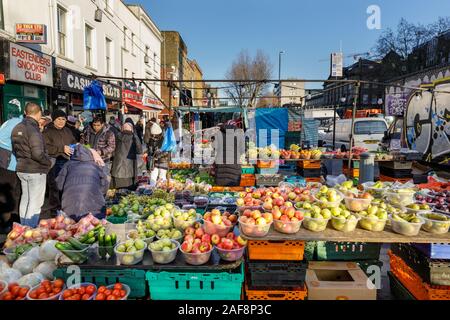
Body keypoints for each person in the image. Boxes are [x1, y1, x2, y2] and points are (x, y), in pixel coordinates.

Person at [11, 103, 52, 227]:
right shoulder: (33, 129)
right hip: (35, 170)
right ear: (39, 113)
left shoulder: (17, 127)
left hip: (22, 168)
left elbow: (16, 149)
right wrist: (48, 162)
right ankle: (29, 231)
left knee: (26, 199)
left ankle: (23, 228)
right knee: (35, 203)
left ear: (25, 112)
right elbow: (37, 154)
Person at [56, 144, 108, 221]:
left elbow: (59, 185)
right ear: (89, 154)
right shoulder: (96, 166)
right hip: (94, 208)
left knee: (73, 229)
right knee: (94, 229)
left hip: (70, 208)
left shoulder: (67, 165)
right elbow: (104, 186)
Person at [43, 110, 77, 215]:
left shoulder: (67, 131)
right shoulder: (47, 131)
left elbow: (73, 143)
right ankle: (55, 210)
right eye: (58, 119)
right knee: (55, 187)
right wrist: (62, 148)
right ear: (53, 120)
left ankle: (66, 208)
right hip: (54, 161)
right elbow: (45, 148)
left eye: (63, 119)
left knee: (66, 186)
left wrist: (75, 147)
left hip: (68, 161)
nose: (61, 121)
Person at [0, 116, 23, 233]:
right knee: (6, 195)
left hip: (7, 162)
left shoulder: (13, 121)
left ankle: (10, 221)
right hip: (8, 164)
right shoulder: (18, 123)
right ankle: (4, 224)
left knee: (10, 194)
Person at [80, 116, 116, 183]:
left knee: (104, 177)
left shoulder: (109, 133)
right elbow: (82, 142)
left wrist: (101, 152)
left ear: (102, 124)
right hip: (90, 159)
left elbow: (111, 147)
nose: (96, 127)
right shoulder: (87, 131)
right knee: (91, 178)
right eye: (94, 125)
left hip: (103, 159)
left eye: (98, 125)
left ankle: (103, 192)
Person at [111, 123, 143, 190]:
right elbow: (139, 150)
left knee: (117, 190)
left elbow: (112, 149)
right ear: (131, 129)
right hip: (130, 167)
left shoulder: (116, 135)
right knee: (129, 191)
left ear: (122, 128)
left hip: (117, 166)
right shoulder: (134, 137)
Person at [150, 119, 170, 186]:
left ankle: (162, 190)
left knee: (162, 177)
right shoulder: (152, 139)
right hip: (155, 161)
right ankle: (152, 189)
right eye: (152, 135)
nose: (153, 137)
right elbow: (150, 149)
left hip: (163, 161)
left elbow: (167, 152)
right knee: (153, 176)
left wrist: (157, 156)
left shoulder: (164, 140)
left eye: (155, 135)